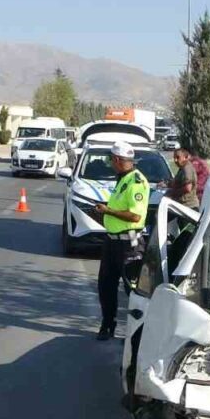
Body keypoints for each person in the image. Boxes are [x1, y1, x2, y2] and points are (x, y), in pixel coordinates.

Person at [93, 141, 150, 341]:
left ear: (117, 159)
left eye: (111, 159)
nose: (110, 163)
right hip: (112, 242)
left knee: (132, 290)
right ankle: (108, 325)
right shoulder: (123, 179)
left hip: (129, 245)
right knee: (106, 285)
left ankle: (138, 334)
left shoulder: (136, 181)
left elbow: (135, 216)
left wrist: (108, 211)